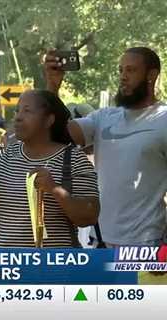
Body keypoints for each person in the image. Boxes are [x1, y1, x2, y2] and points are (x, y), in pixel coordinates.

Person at [45, 47, 167, 246]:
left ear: (151, 75)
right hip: (100, 241)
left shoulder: (163, 119)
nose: (123, 77)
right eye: (120, 70)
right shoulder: (104, 117)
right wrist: (52, 87)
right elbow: (56, 133)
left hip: (147, 244)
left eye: (131, 70)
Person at [0, 89, 100, 247]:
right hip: (11, 267)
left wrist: (55, 190)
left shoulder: (74, 159)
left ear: (49, 120)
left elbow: (89, 216)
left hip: (56, 267)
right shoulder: (3, 157)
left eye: (27, 111)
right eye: (17, 111)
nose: (17, 117)